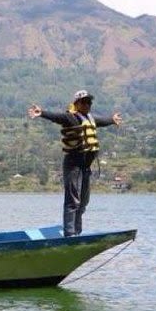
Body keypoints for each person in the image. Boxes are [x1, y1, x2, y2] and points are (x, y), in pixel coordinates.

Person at [28, 90, 122, 236]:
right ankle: (70, 235)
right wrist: (42, 113)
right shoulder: (70, 117)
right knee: (73, 201)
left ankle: (77, 233)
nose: (87, 105)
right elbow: (57, 117)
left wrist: (112, 119)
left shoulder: (90, 118)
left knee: (83, 203)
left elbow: (102, 121)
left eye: (89, 102)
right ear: (76, 104)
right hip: (73, 165)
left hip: (85, 167)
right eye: (84, 102)